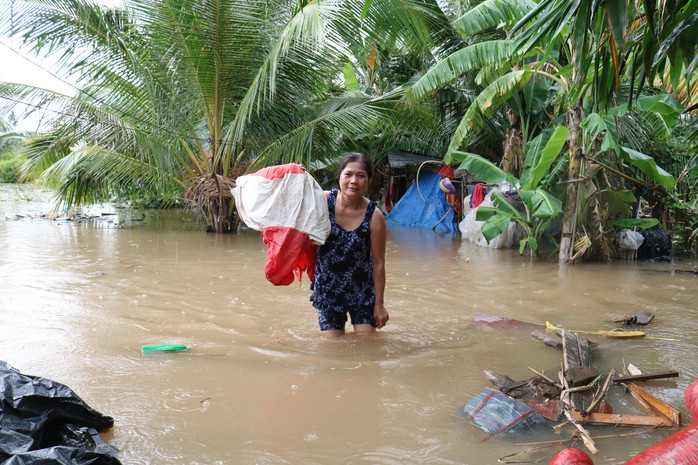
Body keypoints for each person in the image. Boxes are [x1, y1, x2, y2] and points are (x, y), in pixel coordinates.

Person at [310, 152, 389, 336]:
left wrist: (379, 305)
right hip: (328, 291)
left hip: (362, 291)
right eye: (349, 174)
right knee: (333, 348)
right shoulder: (322, 201)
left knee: (367, 345)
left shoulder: (374, 217)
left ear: (368, 181)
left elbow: (379, 263)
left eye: (361, 176)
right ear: (339, 177)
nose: (354, 180)